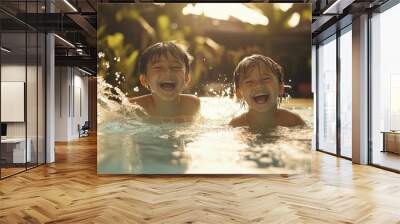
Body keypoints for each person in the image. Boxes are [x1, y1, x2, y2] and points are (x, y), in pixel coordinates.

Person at [229, 54, 305, 130]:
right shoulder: (237, 124)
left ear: (280, 88)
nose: (258, 86)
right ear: (238, 93)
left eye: (266, 79)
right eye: (249, 82)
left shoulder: (292, 121)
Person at [129, 41, 200, 123]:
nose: (168, 73)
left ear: (186, 78)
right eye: (158, 67)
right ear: (144, 79)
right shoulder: (134, 108)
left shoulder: (191, 105)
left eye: (176, 67)